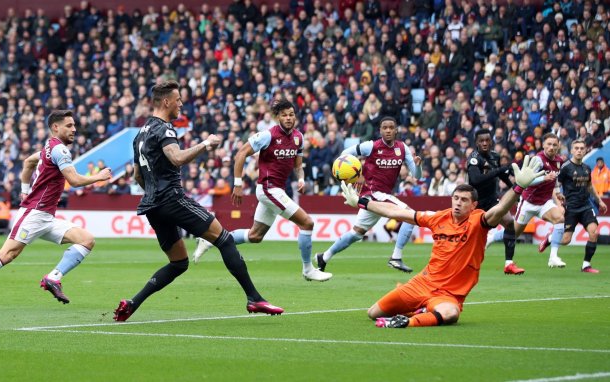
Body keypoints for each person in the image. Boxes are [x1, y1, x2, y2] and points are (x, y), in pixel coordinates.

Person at [113, 81, 283, 322]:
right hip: (171, 198)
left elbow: (138, 175)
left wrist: (154, 194)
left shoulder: (140, 134)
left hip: (152, 205)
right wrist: (206, 144)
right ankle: (254, 298)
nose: (181, 104)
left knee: (179, 263)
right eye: (179, 99)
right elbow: (177, 157)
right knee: (224, 240)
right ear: (166, 102)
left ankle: (132, 303)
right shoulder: (165, 129)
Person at [337, 155, 545, 328]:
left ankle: (408, 321)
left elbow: (499, 210)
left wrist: (518, 187)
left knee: (450, 314)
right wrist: (362, 202)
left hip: (449, 294)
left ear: (473, 205)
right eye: (456, 199)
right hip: (422, 283)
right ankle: (420, 310)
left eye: (464, 200)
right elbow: (396, 212)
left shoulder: (478, 220)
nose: (458, 204)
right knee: (373, 312)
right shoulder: (439, 217)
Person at [0, 110, 112, 311]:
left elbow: (28, 162)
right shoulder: (59, 150)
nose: (74, 129)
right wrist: (99, 176)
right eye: (69, 125)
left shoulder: (48, 147)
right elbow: (75, 180)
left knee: (86, 240)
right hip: (34, 214)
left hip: (46, 216)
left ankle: (53, 278)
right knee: (7, 254)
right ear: (56, 127)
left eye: (74, 125)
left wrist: (24, 191)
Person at [192, 98, 332, 282]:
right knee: (307, 223)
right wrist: (238, 183)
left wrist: (301, 179)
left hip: (278, 190)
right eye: (284, 115)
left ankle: (211, 240)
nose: (289, 118)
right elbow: (241, 153)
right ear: (277, 118)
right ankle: (308, 269)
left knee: (255, 236)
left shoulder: (298, 136)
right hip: (268, 189)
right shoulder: (267, 135)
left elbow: (298, 163)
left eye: (291, 115)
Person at [313, 116, 422, 274]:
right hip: (373, 192)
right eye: (385, 128)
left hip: (380, 195)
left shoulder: (402, 148)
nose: (388, 130)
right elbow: (345, 154)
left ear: (396, 130)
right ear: (380, 130)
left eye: (391, 127)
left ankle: (325, 256)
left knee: (356, 233)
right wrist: (354, 173)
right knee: (410, 216)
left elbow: (416, 176)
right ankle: (396, 258)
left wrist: (418, 166)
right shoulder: (371, 146)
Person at [539, 139, 607, 273]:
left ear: (586, 150)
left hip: (586, 206)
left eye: (582, 148)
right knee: (565, 240)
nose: (579, 150)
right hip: (571, 207)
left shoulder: (587, 168)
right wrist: (558, 201)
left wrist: (599, 201)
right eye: (576, 148)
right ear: (571, 151)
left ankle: (586, 265)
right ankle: (550, 238)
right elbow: (554, 184)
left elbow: (589, 186)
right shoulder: (565, 167)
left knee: (594, 233)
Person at [464, 129, 521, 274]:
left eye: (487, 140)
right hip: (475, 203)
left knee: (509, 223)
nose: (484, 143)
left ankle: (509, 264)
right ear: (476, 142)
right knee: (470, 237)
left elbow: (501, 174)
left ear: (491, 141)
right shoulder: (473, 159)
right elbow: (476, 180)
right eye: (481, 141)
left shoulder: (495, 156)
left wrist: (513, 188)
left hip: (492, 200)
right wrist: (497, 171)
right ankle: (462, 263)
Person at [516, 133, 567, 268]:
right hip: (528, 202)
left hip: (544, 202)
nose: (551, 147)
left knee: (560, 218)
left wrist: (557, 193)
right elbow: (526, 181)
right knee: (513, 233)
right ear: (543, 145)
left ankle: (553, 257)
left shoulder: (558, 161)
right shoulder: (538, 160)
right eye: (549, 144)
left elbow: (554, 179)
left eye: (554, 145)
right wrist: (544, 178)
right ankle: (491, 238)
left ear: (558, 146)